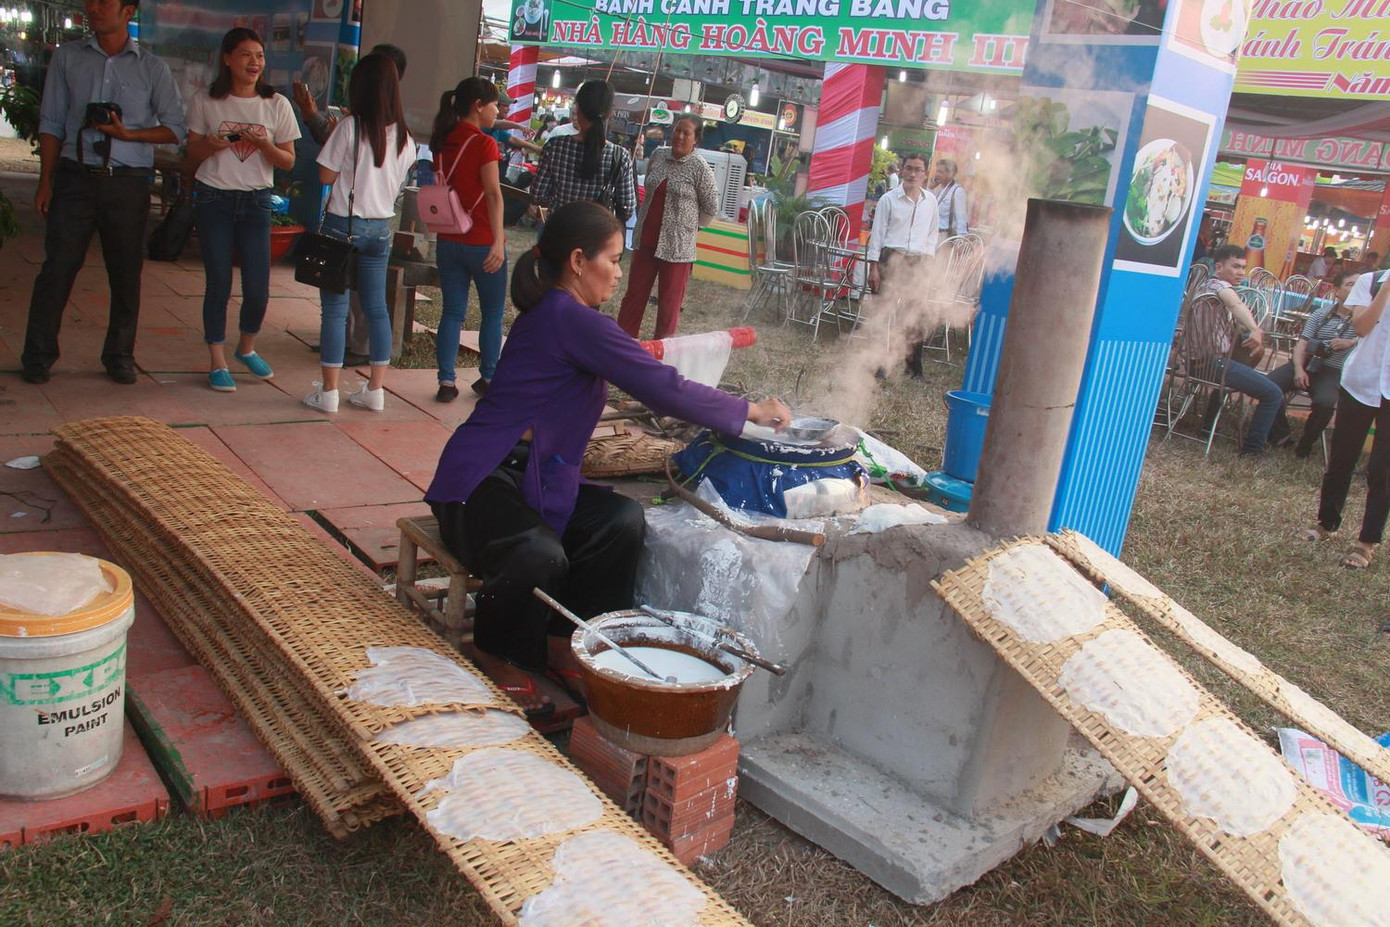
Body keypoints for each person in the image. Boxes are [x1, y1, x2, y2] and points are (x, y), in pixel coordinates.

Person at [424, 201, 790, 712]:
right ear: (578, 260)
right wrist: (749, 409)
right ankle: (496, 650)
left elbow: (644, 375)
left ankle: (559, 640)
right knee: (538, 553)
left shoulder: (574, 319)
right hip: (479, 484)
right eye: (613, 259)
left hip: (536, 478)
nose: (619, 273)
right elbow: (664, 387)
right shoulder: (566, 317)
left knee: (619, 521)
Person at [19, 0, 186, 386]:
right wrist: (46, 180)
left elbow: (176, 128)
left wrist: (130, 135)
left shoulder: (152, 68)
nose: (93, 8)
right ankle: (38, 355)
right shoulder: (68, 58)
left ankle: (120, 355)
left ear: (128, 12)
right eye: (90, 1)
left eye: (104, 2)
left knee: (125, 273)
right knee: (57, 268)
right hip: (76, 177)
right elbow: (51, 121)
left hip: (127, 181)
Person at [185, 27, 299, 393]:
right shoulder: (206, 100)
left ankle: (246, 348)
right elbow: (193, 153)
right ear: (227, 58)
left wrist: (265, 145)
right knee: (218, 281)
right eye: (247, 55)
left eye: (260, 56)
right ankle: (217, 360)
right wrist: (214, 145)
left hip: (256, 201)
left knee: (259, 286)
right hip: (214, 198)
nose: (255, 63)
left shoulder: (276, 104)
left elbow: (288, 162)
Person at [303, 54, 416, 414]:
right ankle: (375, 391)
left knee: (335, 311)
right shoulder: (405, 138)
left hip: (342, 225)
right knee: (376, 309)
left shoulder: (349, 128)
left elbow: (324, 177)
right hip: (380, 230)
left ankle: (330, 393)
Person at [1303, 262, 1390, 569]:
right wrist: (1387, 289)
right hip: (1361, 382)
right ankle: (1327, 522)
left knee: (1383, 468)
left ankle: (1367, 543)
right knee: (1342, 458)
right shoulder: (1372, 281)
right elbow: (1362, 328)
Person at [429, 77, 506, 402]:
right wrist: (499, 241)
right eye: (494, 104)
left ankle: (446, 381)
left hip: (448, 238)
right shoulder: (484, 143)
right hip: (481, 240)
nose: (497, 110)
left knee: (452, 311)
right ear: (478, 106)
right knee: (491, 312)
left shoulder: (442, 140)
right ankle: (488, 377)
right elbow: (493, 195)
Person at [615, 114, 717, 340]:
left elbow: (711, 207)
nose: (679, 136)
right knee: (633, 298)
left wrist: (691, 229)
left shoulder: (699, 168)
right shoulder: (658, 155)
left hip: (676, 248)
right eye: (677, 130)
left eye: (686, 133)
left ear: (696, 139)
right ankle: (622, 347)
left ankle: (662, 360)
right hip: (646, 239)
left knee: (668, 308)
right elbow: (650, 185)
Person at [1188, 245, 1284, 456]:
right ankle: (1252, 450)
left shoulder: (1203, 286)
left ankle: (1207, 427)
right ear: (1219, 267)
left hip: (1196, 364)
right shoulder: (1219, 286)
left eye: (1243, 267)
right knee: (1273, 393)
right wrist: (1255, 329)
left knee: (1239, 365)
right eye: (1236, 267)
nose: (1241, 272)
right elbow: (1236, 304)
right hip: (1212, 364)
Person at [1266, 271, 1358, 457]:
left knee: (1325, 404)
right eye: (1350, 284)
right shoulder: (1321, 314)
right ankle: (1281, 435)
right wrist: (1299, 369)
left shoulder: (1363, 319)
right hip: (1308, 363)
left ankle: (1304, 446)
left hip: (1333, 371)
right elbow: (1302, 343)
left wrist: (1351, 342)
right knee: (1267, 386)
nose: (1356, 289)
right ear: (1337, 290)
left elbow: (1370, 338)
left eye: (1359, 285)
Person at [867, 152, 940, 378]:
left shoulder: (931, 202)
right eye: (908, 168)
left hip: (917, 262)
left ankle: (913, 368)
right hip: (891, 257)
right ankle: (877, 365)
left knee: (915, 317)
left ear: (924, 174)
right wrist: (874, 267)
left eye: (917, 169)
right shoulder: (889, 200)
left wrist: (926, 268)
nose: (912, 173)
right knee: (884, 314)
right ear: (901, 170)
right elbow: (877, 235)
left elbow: (931, 235)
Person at [532, 80, 636, 223]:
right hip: (596, 237)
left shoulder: (555, 147)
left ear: (578, 109)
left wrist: (560, 200)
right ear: (609, 114)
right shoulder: (619, 156)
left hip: (558, 230)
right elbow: (628, 208)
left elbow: (537, 193)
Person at [930, 158, 969, 239]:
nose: (937, 174)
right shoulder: (938, 188)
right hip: (934, 234)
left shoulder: (957, 191)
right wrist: (931, 188)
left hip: (945, 236)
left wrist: (960, 241)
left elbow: (961, 219)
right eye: (937, 171)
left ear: (950, 174)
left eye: (940, 172)